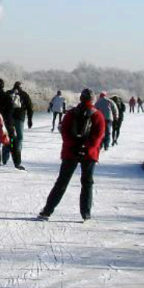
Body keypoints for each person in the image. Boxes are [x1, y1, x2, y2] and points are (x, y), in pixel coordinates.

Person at [38, 89, 105, 222]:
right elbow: (99, 135)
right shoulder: (97, 115)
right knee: (87, 183)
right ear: (93, 100)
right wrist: (87, 147)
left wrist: (73, 146)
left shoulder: (71, 113)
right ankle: (85, 214)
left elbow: (64, 131)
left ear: (80, 99)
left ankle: (47, 211)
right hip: (89, 153)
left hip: (70, 152)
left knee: (62, 182)